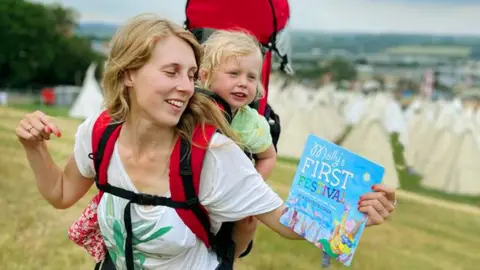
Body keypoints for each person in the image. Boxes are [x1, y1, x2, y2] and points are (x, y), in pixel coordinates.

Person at [15, 14, 396, 270]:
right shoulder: (100, 132)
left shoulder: (213, 154)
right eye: (171, 71)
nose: (186, 86)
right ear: (129, 73)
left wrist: (354, 211)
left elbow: (286, 223)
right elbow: (61, 193)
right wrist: (35, 148)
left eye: (192, 74)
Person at [197, 29, 277, 258]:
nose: (243, 83)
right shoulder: (191, 108)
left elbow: (268, 156)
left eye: (251, 77)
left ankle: (225, 259)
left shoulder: (252, 124)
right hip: (189, 193)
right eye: (234, 74)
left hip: (226, 202)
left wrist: (249, 187)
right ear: (205, 76)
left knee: (240, 231)